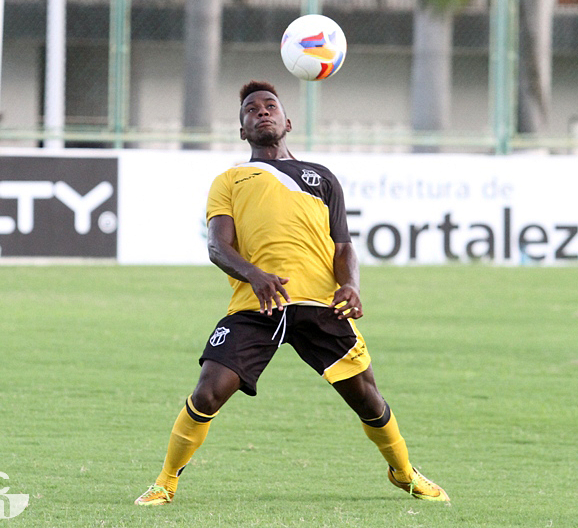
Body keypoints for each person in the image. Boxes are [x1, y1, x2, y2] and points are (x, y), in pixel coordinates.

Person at [135, 80, 449, 506]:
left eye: (269, 106)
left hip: (321, 305)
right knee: (208, 390)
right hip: (256, 305)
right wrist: (254, 275)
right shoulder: (230, 179)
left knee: (368, 400)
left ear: (287, 121)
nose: (261, 112)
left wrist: (351, 285)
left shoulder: (322, 178)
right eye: (250, 109)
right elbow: (217, 246)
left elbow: (343, 248)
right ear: (242, 130)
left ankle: (404, 472)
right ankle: (165, 482)